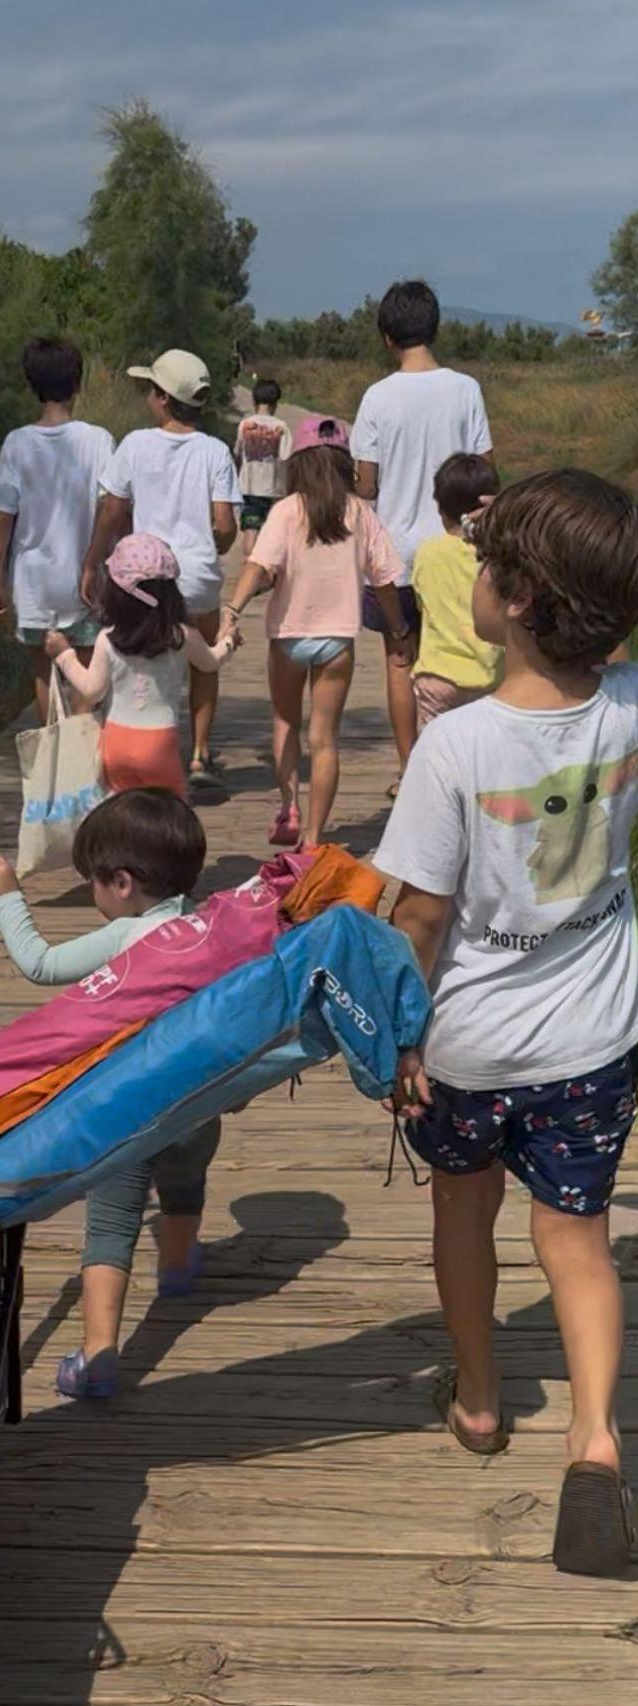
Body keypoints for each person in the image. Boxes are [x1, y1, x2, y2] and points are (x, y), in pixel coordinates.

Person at [375, 470, 638, 1578]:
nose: (472, 577)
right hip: (596, 1041)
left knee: (465, 1215)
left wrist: (395, 1034)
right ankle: (595, 1436)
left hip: (470, 1053)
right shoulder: (628, 706)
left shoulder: (457, 745)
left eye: (487, 564)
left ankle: (480, 1400)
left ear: (517, 597)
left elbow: (421, 916)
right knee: (575, 1239)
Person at [0, 789, 221, 1399]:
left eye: (91, 881)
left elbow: (38, 962)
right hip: (199, 1103)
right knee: (185, 1183)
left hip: (128, 1111)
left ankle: (99, 1351)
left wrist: (7, 896)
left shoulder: (126, 936)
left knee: (110, 1227)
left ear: (121, 882)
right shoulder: (209, 927)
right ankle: (177, 1268)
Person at [222, 417, 409, 848]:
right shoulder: (360, 513)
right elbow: (384, 580)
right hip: (337, 642)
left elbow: (258, 566)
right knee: (325, 740)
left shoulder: (286, 511)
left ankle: (289, 805)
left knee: (285, 722)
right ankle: (313, 836)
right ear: (344, 464)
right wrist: (397, 627)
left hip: (288, 637)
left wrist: (234, 608)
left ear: (298, 464)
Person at [351, 281, 494, 793]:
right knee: (463, 654)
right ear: (435, 328)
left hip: (396, 557)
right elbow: (484, 473)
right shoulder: (465, 389)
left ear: (387, 336)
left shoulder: (377, 397)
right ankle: (468, 763)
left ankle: (410, 767)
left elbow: (366, 483)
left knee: (400, 657)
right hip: (459, 549)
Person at [82, 349, 242, 790]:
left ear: (164, 399)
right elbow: (226, 526)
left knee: (136, 655)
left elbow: (113, 509)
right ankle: (198, 754)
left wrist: (93, 562)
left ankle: (133, 744)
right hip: (197, 575)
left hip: (142, 578)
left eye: (152, 389)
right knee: (204, 663)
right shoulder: (214, 451)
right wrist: (215, 543)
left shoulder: (135, 444)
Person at [47, 533, 237, 798]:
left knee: (120, 813)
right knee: (169, 816)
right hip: (160, 742)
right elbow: (211, 662)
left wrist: (64, 654)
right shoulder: (180, 636)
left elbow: (92, 691)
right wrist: (227, 639)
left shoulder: (108, 639)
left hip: (117, 740)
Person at [0, 337, 115, 721]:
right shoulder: (99, 440)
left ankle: (53, 751)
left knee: (43, 674)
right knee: (88, 673)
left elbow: (1, 518)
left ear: (32, 384)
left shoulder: (17, 443)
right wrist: (98, 561)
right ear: (77, 383)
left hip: (33, 582)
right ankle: (83, 761)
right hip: (84, 578)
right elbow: (112, 507)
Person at [411, 453, 503, 730]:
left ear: (440, 508)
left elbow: (421, 601)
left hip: (437, 676)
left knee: (438, 759)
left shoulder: (428, 552)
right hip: (491, 677)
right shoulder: (499, 557)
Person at [234, 377, 293, 558]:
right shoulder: (282, 427)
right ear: (275, 403)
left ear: (254, 401)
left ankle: (249, 566)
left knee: (251, 529)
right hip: (273, 489)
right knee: (271, 531)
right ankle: (265, 570)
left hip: (249, 487)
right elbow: (286, 458)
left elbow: (237, 453)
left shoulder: (245, 425)